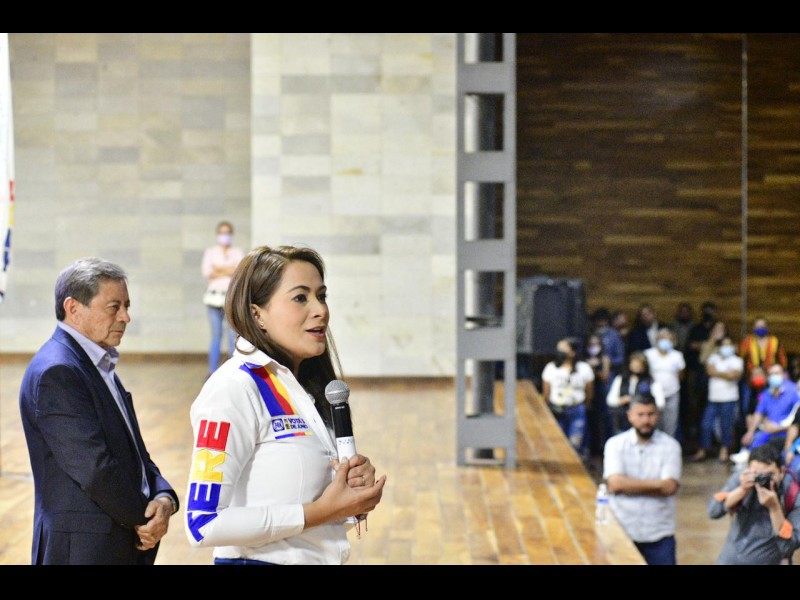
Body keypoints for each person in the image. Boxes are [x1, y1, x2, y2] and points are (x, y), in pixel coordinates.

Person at [184, 245, 387, 565]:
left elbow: (308, 524)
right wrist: (321, 511)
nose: (320, 310)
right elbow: (201, 525)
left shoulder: (305, 389)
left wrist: (348, 498)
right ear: (257, 314)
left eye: (322, 296)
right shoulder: (232, 389)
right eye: (300, 297)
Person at [18, 257, 180, 565]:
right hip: (83, 550)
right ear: (73, 308)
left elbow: (135, 453)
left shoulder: (96, 363)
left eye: (127, 306)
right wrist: (146, 519)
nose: (126, 317)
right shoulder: (57, 371)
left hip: (111, 542)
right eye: (114, 307)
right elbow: (95, 470)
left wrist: (164, 498)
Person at [603, 393, 682, 565]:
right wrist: (658, 486)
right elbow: (615, 484)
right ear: (630, 416)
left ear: (658, 415)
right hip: (623, 531)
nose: (646, 420)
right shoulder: (615, 445)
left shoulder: (671, 446)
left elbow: (669, 487)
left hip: (659, 533)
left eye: (650, 414)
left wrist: (628, 485)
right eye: (640, 415)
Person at [708, 443, 800, 565]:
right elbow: (713, 511)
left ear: (782, 472)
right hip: (729, 559)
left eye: (769, 475)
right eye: (758, 475)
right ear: (749, 470)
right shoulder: (743, 479)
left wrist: (774, 509)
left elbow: (789, 546)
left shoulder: (792, 494)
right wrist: (742, 490)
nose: (763, 480)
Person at [202, 220, 245, 377]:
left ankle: (233, 372)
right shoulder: (211, 252)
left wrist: (219, 269)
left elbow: (239, 272)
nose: (224, 236)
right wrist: (229, 269)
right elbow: (207, 272)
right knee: (216, 335)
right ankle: (212, 371)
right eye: (222, 233)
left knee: (233, 336)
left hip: (230, 299)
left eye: (227, 233)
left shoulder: (238, 252)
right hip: (214, 299)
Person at [691, 335, 743, 463]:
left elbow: (733, 375)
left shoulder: (737, 360)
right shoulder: (713, 358)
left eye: (729, 345)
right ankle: (703, 450)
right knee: (705, 425)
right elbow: (710, 371)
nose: (726, 347)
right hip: (713, 398)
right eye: (724, 345)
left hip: (729, 398)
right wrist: (726, 373)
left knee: (726, 426)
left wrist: (717, 372)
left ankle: (724, 450)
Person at [541, 337, 595, 456]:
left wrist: (583, 403)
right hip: (557, 409)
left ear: (572, 352)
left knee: (575, 443)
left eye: (563, 349)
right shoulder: (551, 367)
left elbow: (589, 391)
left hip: (576, 409)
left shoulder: (584, 368)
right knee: (558, 442)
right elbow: (546, 392)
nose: (560, 352)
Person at [738, 364, 800, 457]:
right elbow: (759, 413)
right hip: (768, 431)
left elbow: (797, 419)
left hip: (787, 432)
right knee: (751, 441)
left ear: (783, 374)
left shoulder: (794, 391)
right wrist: (750, 432)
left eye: (777, 373)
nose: (774, 376)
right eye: (771, 374)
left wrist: (777, 428)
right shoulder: (766, 393)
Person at [606, 351, 665, 436]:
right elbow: (610, 400)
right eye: (634, 364)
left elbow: (661, 403)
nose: (636, 367)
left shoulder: (651, 381)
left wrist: (645, 403)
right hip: (623, 421)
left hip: (644, 423)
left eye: (639, 364)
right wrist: (621, 400)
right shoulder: (621, 379)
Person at [644, 328, 685, 439]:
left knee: (670, 422)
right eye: (663, 338)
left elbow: (681, 375)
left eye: (669, 339)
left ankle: (669, 445)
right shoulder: (649, 354)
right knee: (654, 421)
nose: (666, 341)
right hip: (653, 394)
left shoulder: (677, 356)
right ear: (657, 340)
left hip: (672, 393)